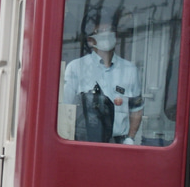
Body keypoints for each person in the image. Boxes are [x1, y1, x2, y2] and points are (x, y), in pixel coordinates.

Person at [60, 13, 143, 143]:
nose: (106, 35)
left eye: (110, 31)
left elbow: (136, 110)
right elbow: (65, 107)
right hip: (84, 142)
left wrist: (130, 139)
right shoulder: (76, 67)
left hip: (118, 143)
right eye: (100, 32)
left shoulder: (130, 70)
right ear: (90, 40)